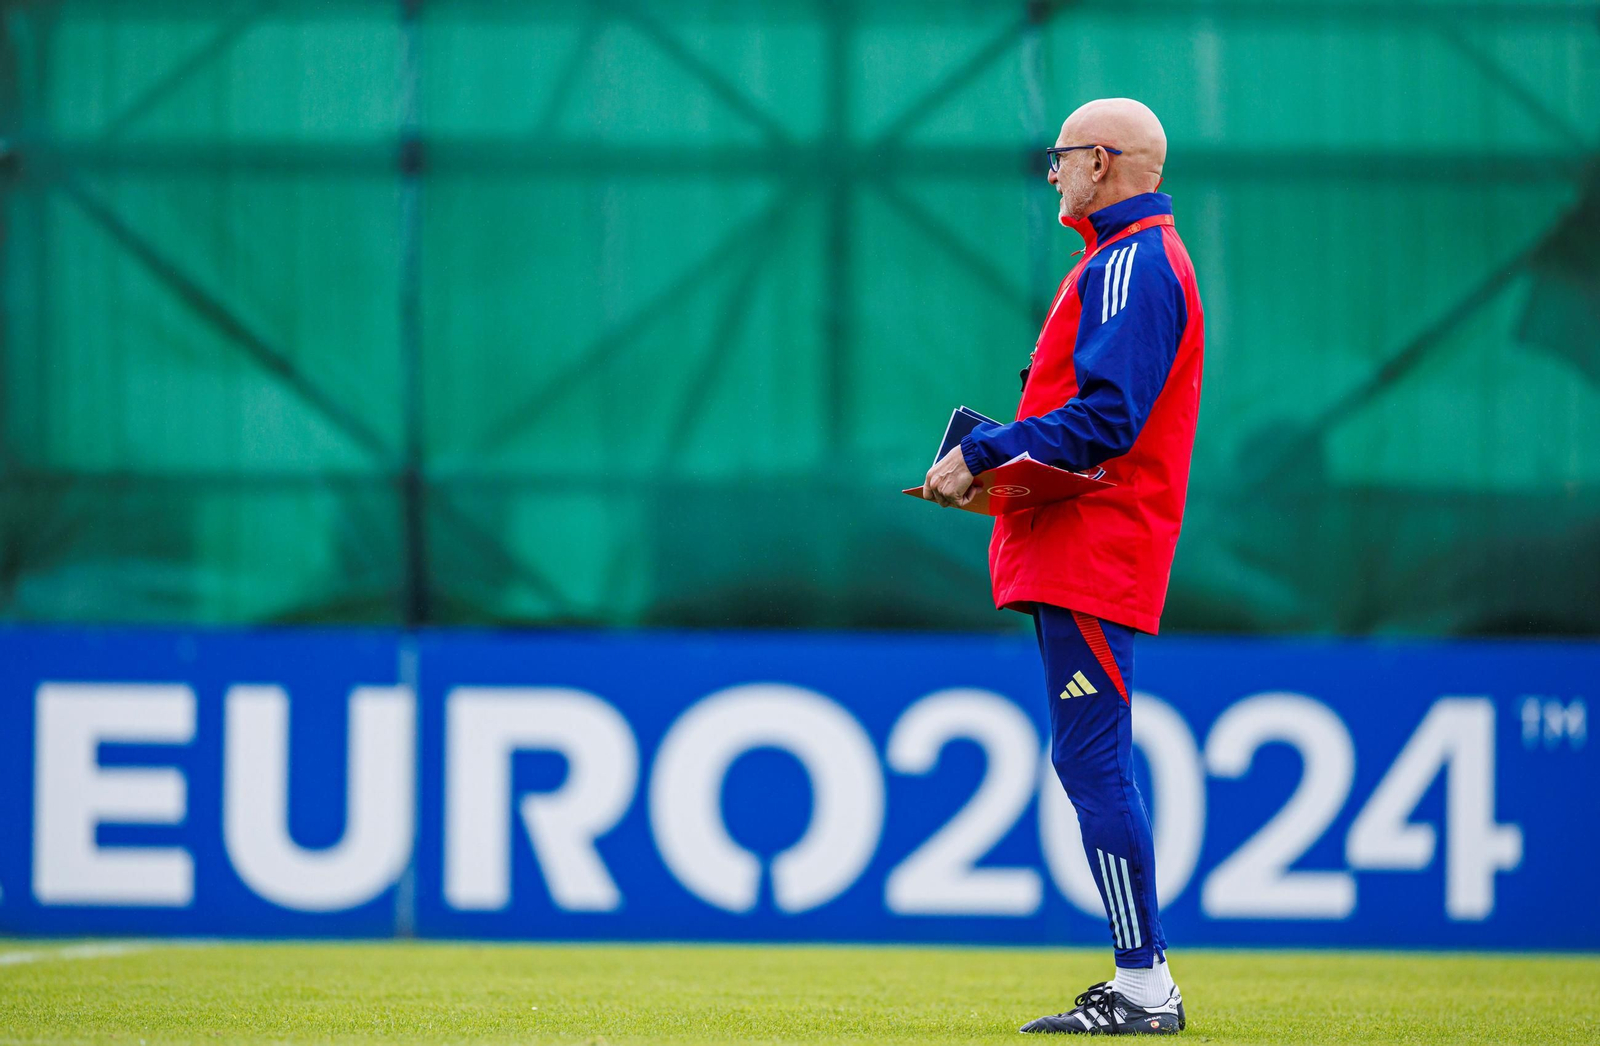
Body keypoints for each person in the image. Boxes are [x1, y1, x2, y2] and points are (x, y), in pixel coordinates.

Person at [923, 97, 1204, 1036]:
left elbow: (1107, 420)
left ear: (1100, 161)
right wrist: (999, 461)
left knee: (1091, 762)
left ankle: (1145, 987)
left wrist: (985, 452)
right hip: (1086, 547)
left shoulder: (1131, 261)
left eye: (1060, 155)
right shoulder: (1125, 259)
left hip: (1094, 549)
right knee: (1089, 760)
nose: (1052, 171)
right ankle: (1142, 981)